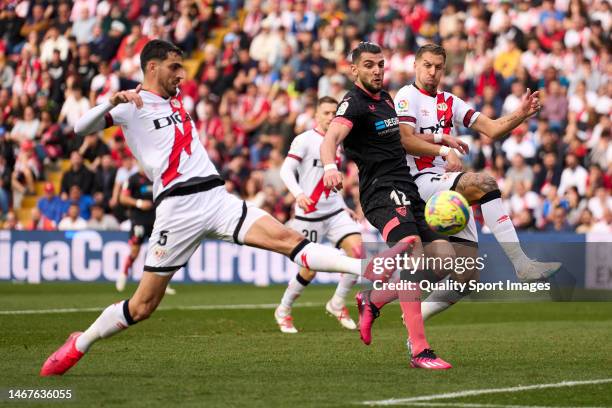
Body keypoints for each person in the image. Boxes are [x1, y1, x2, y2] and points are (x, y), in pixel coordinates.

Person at [40, 40, 371, 377]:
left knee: (288, 239)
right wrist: (112, 100)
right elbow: (80, 128)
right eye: (174, 67)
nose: (181, 75)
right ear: (152, 67)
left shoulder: (176, 102)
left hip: (216, 198)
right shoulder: (131, 106)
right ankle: (79, 344)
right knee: (142, 307)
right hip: (176, 209)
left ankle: (365, 268)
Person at [393, 44, 562, 321]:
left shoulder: (450, 101)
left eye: (438, 67)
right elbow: (405, 139)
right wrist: (444, 149)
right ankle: (522, 264)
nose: (432, 72)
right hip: (417, 182)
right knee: (484, 182)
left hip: (444, 186)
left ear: (444, 69)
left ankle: (415, 317)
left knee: (466, 276)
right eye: (427, 65)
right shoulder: (406, 96)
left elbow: (492, 128)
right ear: (415, 65)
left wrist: (521, 113)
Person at [321, 42, 457, 369]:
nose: (377, 70)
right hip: (381, 191)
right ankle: (420, 350)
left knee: (444, 260)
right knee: (412, 254)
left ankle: (373, 299)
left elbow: (399, 139)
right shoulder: (352, 104)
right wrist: (329, 167)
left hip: (406, 188)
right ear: (354, 69)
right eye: (369, 65)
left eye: (380, 64)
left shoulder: (385, 99)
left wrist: (440, 141)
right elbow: (330, 139)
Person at [274, 96, 361, 334]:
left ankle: (337, 303)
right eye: (326, 112)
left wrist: (343, 205)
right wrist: (299, 194)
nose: (331, 116)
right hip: (309, 214)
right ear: (316, 115)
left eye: (334, 112)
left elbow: (331, 179)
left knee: (357, 252)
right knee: (309, 270)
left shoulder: (340, 141)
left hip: (334, 211)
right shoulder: (304, 140)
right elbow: (286, 170)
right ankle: (283, 310)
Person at [116, 168, 176, 296]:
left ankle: (162, 285)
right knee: (135, 251)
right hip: (139, 220)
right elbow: (122, 198)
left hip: (157, 221)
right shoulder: (133, 179)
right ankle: (124, 274)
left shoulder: (157, 177)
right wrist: (138, 203)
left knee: (160, 252)